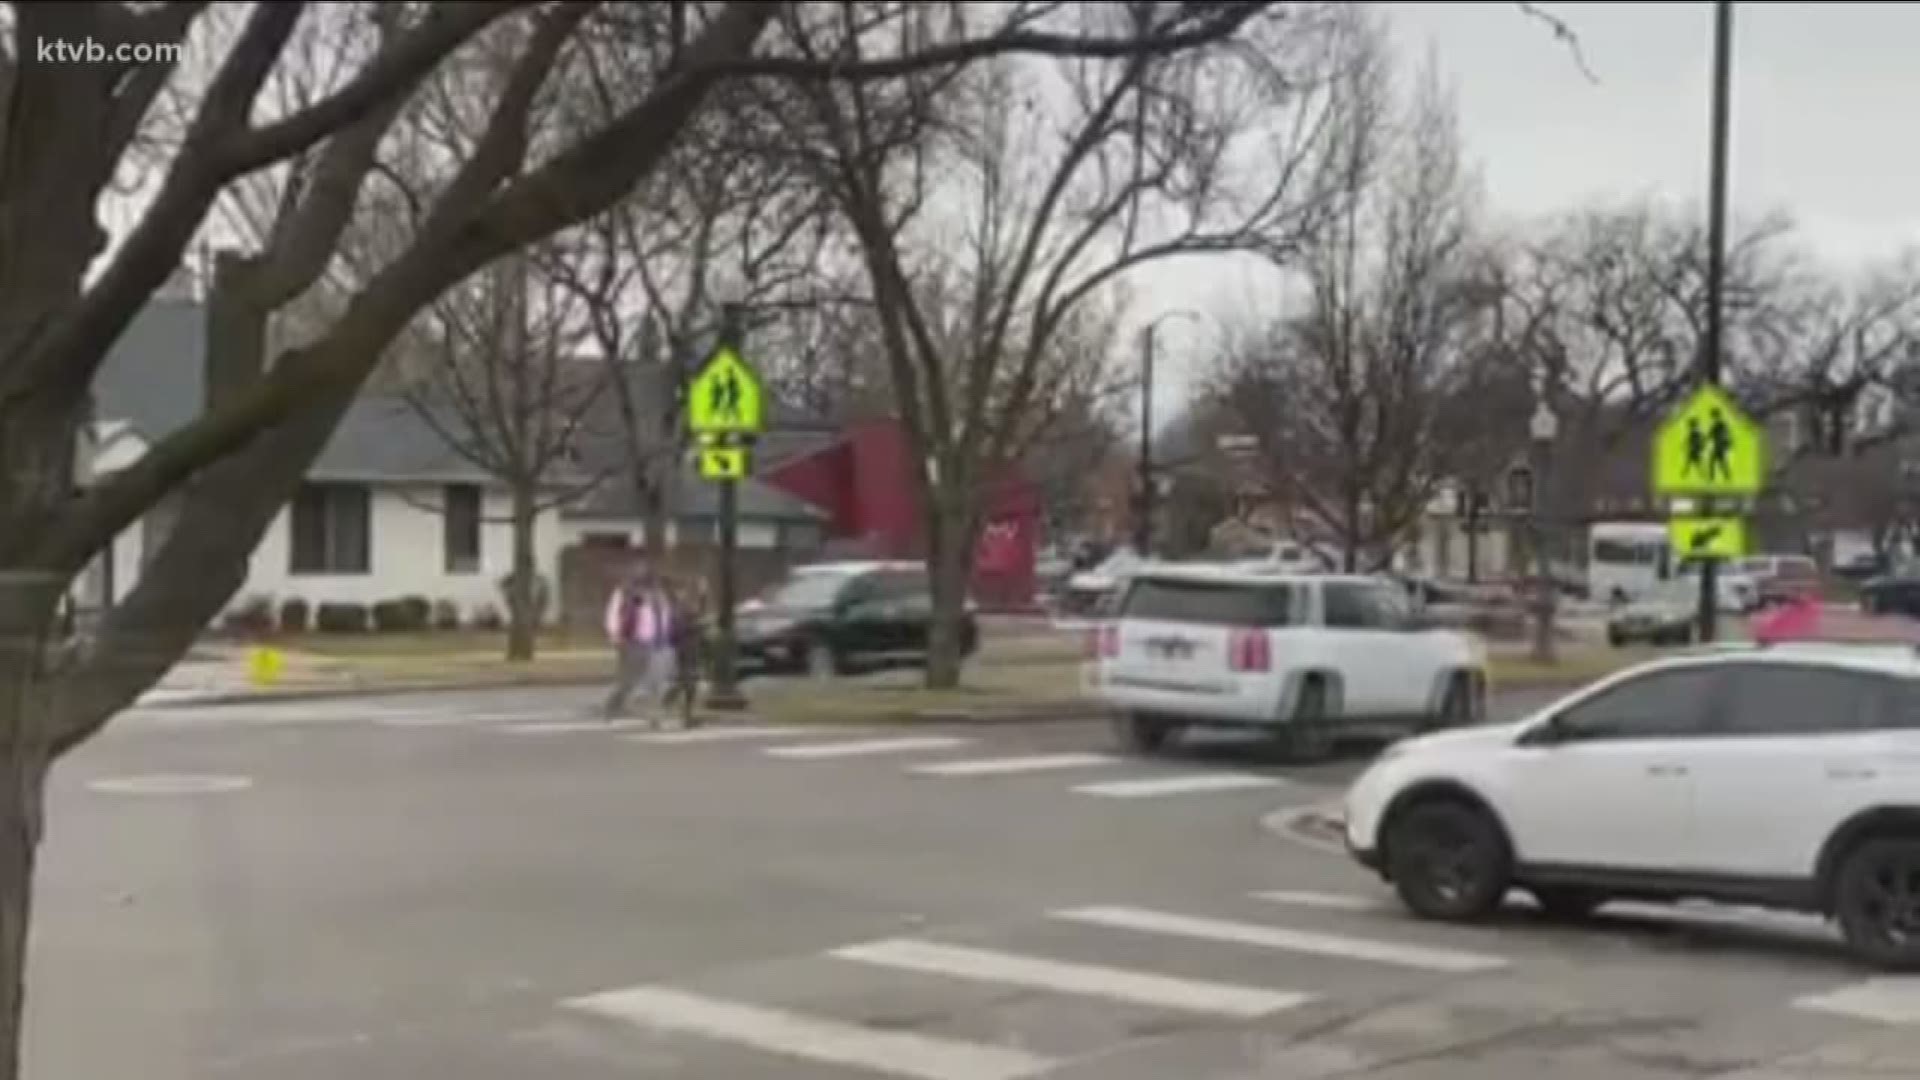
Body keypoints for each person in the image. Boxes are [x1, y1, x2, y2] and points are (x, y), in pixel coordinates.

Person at [602, 563, 676, 726]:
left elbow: (666, 615)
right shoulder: (626, 593)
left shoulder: (659, 595)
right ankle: (612, 707)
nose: (644, 579)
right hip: (635, 642)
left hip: (659, 643)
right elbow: (613, 613)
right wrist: (615, 634)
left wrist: (669, 635)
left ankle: (654, 716)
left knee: (656, 682)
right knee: (627, 681)